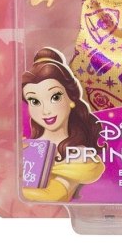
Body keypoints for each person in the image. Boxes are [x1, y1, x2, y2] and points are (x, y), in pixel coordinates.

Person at [21, 47, 104, 201]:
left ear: (71, 98)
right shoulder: (26, 146)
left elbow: (54, 196)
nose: (46, 111)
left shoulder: (79, 154)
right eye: (34, 101)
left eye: (55, 97)